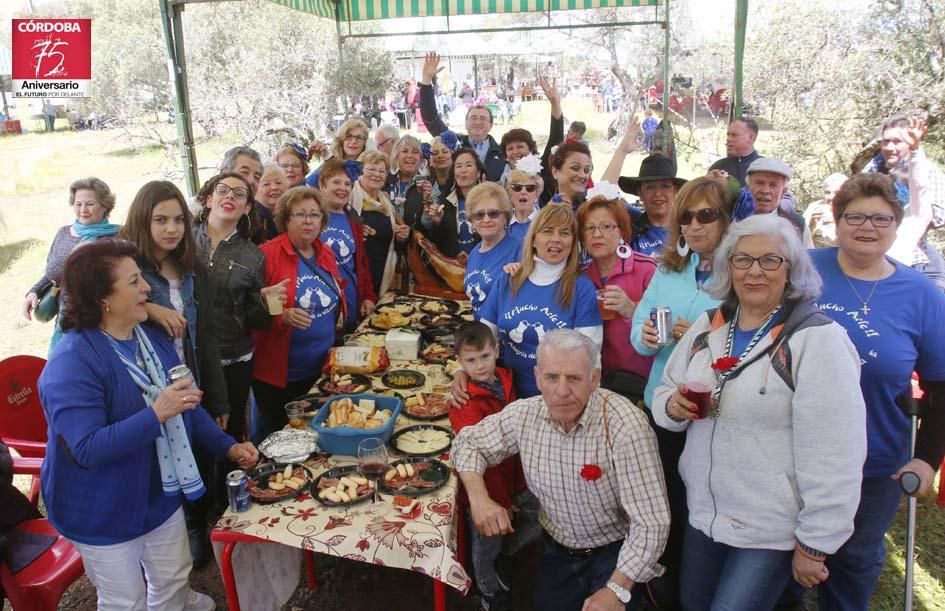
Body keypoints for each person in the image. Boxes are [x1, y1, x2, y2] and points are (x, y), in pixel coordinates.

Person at [653, 214, 867, 611]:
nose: (754, 271)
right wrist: (671, 406)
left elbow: (836, 452)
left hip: (770, 529)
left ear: (791, 270)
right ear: (727, 265)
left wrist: (816, 543)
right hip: (704, 515)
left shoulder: (816, 341)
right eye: (742, 260)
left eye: (769, 261)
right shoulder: (709, 326)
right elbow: (665, 392)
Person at [38, 239, 258, 611]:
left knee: (173, 575)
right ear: (102, 298)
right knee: (125, 600)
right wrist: (155, 413)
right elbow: (87, 448)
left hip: (157, 490)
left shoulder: (150, 337)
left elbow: (184, 405)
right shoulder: (71, 362)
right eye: (134, 282)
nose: (146, 289)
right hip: (100, 507)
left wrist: (227, 446)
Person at [801, 173, 945, 609]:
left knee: (854, 558)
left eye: (881, 219)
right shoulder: (803, 269)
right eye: (855, 217)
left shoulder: (922, 295)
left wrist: (926, 459)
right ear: (836, 220)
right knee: (783, 557)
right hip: (795, 448)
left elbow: (940, 386)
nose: (867, 227)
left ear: (897, 224)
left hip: (876, 458)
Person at [452, 329, 670, 611]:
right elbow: (466, 443)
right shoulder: (526, 414)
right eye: (552, 377)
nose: (562, 391)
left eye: (574, 378)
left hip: (615, 555)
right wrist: (479, 498)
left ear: (594, 379)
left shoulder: (626, 427)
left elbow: (652, 523)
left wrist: (615, 589)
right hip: (556, 549)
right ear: (538, 377)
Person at [629, 176, 736, 601]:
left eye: (706, 215)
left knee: (704, 499)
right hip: (665, 401)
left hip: (716, 412)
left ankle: (704, 581)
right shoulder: (672, 267)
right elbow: (639, 327)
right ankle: (667, 577)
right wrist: (649, 338)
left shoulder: (741, 271)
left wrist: (697, 333)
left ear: (726, 220)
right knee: (667, 495)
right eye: (686, 217)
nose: (694, 225)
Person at [119, 180, 230, 567]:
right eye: (160, 220)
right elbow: (80, 294)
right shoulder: (125, 265)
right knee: (158, 463)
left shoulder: (191, 268)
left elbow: (207, 337)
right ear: (141, 221)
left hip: (190, 379)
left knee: (198, 456)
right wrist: (152, 309)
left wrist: (217, 397)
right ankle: (171, 539)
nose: (171, 229)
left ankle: (197, 528)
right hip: (146, 391)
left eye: (179, 220)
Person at [192, 172, 287, 444]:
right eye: (223, 190)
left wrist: (266, 302)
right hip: (189, 355)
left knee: (228, 435)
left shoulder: (252, 255)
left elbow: (255, 321)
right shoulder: (183, 242)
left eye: (239, 193)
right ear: (209, 199)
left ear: (247, 207)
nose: (229, 196)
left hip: (232, 359)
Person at [448, 321, 537, 611]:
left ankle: (503, 561)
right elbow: (475, 458)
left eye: (485, 356)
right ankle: (488, 593)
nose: (480, 366)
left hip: (514, 477)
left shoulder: (505, 378)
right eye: (470, 361)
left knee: (524, 527)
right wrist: (497, 499)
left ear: (497, 351)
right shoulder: (464, 403)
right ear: (459, 362)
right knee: (486, 545)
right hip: (486, 492)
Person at [472, 204, 601, 399]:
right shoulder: (509, 278)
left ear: (573, 242)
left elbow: (591, 357)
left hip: (556, 398)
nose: (556, 239)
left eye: (564, 233)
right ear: (533, 240)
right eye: (547, 231)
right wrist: (461, 371)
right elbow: (482, 336)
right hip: (504, 393)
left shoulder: (582, 288)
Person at [252, 187, 343, 438]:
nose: (309, 221)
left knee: (317, 434)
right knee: (283, 437)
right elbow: (250, 309)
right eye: (300, 214)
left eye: (315, 215)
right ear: (285, 218)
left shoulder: (325, 251)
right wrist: (281, 316)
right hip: (282, 376)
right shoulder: (267, 254)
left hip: (321, 367)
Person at [23, 177, 121, 352]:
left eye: (90, 204)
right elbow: (52, 273)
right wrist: (33, 291)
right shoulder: (63, 233)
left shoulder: (117, 238)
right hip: (65, 323)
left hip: (101, 325)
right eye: (78, 204)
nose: (83, 210)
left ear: (105, 205)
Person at [577, 195, 656, 390]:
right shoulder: (581, 276)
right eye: (589, 228)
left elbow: (664, 325)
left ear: (621, 230)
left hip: (641, 381)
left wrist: (631, 309)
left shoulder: (646, 269)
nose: (597, 234)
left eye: (606, 226)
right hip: (597, 381)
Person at [866, 114, 945, 291]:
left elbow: (936, 216)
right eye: (886, 142)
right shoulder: (872, 170)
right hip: (875, 260)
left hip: (916, 260)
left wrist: (903, 217)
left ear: (910, 142)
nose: (890, 147)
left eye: (897, 141)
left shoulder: (926, 172)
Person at [602, 118, 685, 258]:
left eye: (665, 186)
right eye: (650, 188)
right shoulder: (629, 224)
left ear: (675, 191)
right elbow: (601, 198)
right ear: (639, 193)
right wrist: (622, 151)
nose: (658, 193)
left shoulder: (690, 228)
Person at [420, 52, 506, 182]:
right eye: (473, 118)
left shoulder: (503, 152)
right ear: (465, 123)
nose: (477, 122)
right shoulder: (452, 143)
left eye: (483, 119)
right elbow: (430, 119)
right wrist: (426, 81)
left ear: (490, 125)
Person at [318, 158, 377, 332]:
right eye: (336, 182)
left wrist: (368, 296)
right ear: (322, 185)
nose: (343, 188)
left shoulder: (354, 220)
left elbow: (362, 264)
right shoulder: (313, 217)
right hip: (321, 306)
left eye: (348, 184)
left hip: (350, 303)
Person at [352, 150, 409, 297]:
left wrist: (400, 236)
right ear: (360, 171)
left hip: (381, 274)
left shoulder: (386, 203)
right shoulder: (350, 197)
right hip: (356, 275)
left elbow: (389, 240)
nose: (377, 174)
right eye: (371, 169)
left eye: (382, 171)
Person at [463, 183, 522, 317]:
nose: (486, 219)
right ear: (471, 220)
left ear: (505, 216)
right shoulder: (474, 252)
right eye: (479, 215)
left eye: (493, 213)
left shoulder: (520, 249)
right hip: (480, 332)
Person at [424, 147, 486, 257]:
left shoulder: (490, 202)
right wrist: (438, 222)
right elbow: (437, 243)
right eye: (458, 166)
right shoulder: (446, 202)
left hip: (483, 265)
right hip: (453, 268)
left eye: (468, 165)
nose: (463, 170)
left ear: (478, 173)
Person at [745, 158, 813, 247]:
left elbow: (809, 258)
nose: (765, 191)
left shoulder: (797, 225)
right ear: (748, 187)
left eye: (773, 185)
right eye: (759, 183)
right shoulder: (733, 220)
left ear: (783, 192)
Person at [305, 117, 370, 186]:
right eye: (348, 136)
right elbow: (306, 188)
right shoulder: (328, 165)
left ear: (364, 144)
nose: (353, 141)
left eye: (359, 138)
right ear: (341, 141)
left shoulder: (368, 168)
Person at [386, 134, 430, 229]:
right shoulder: (385, 181)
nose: (410, 156)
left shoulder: (429, 184)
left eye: (415, 152)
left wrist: (427, 204)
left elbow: (429, 225)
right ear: (396, 156)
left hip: (415, 241)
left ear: (421, 158)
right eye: (405, 151)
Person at [708, 117, 761, 186]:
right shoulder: (718, 167)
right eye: (728, 135)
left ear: (751, 137)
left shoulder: (764, 167)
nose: (728, 139)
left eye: (734, 135)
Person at [803, 172, 847, 249]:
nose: (831, 197)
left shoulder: (855, 209)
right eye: (827, 192)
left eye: (837, 193)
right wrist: (810, 224)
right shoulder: (815, 207)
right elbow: (797, 240)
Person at [549, 140, 593, 210]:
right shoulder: (545, 215)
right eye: (575, 168)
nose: (582, 175)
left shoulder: (593, 208)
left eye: (586, 170)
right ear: (555, 172)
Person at [507, 167, 543, 242]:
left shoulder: (545, 221)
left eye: (530, 188)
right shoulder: (502, 224)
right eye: (517, 188)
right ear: (510, 194)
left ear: (537, 194)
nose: (523, 192)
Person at [254, 162, 287, 242]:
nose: (274, 187)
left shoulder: (291, 214)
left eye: (278, 183)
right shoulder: (253, 220)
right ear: (255, 190)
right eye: (266, 184)